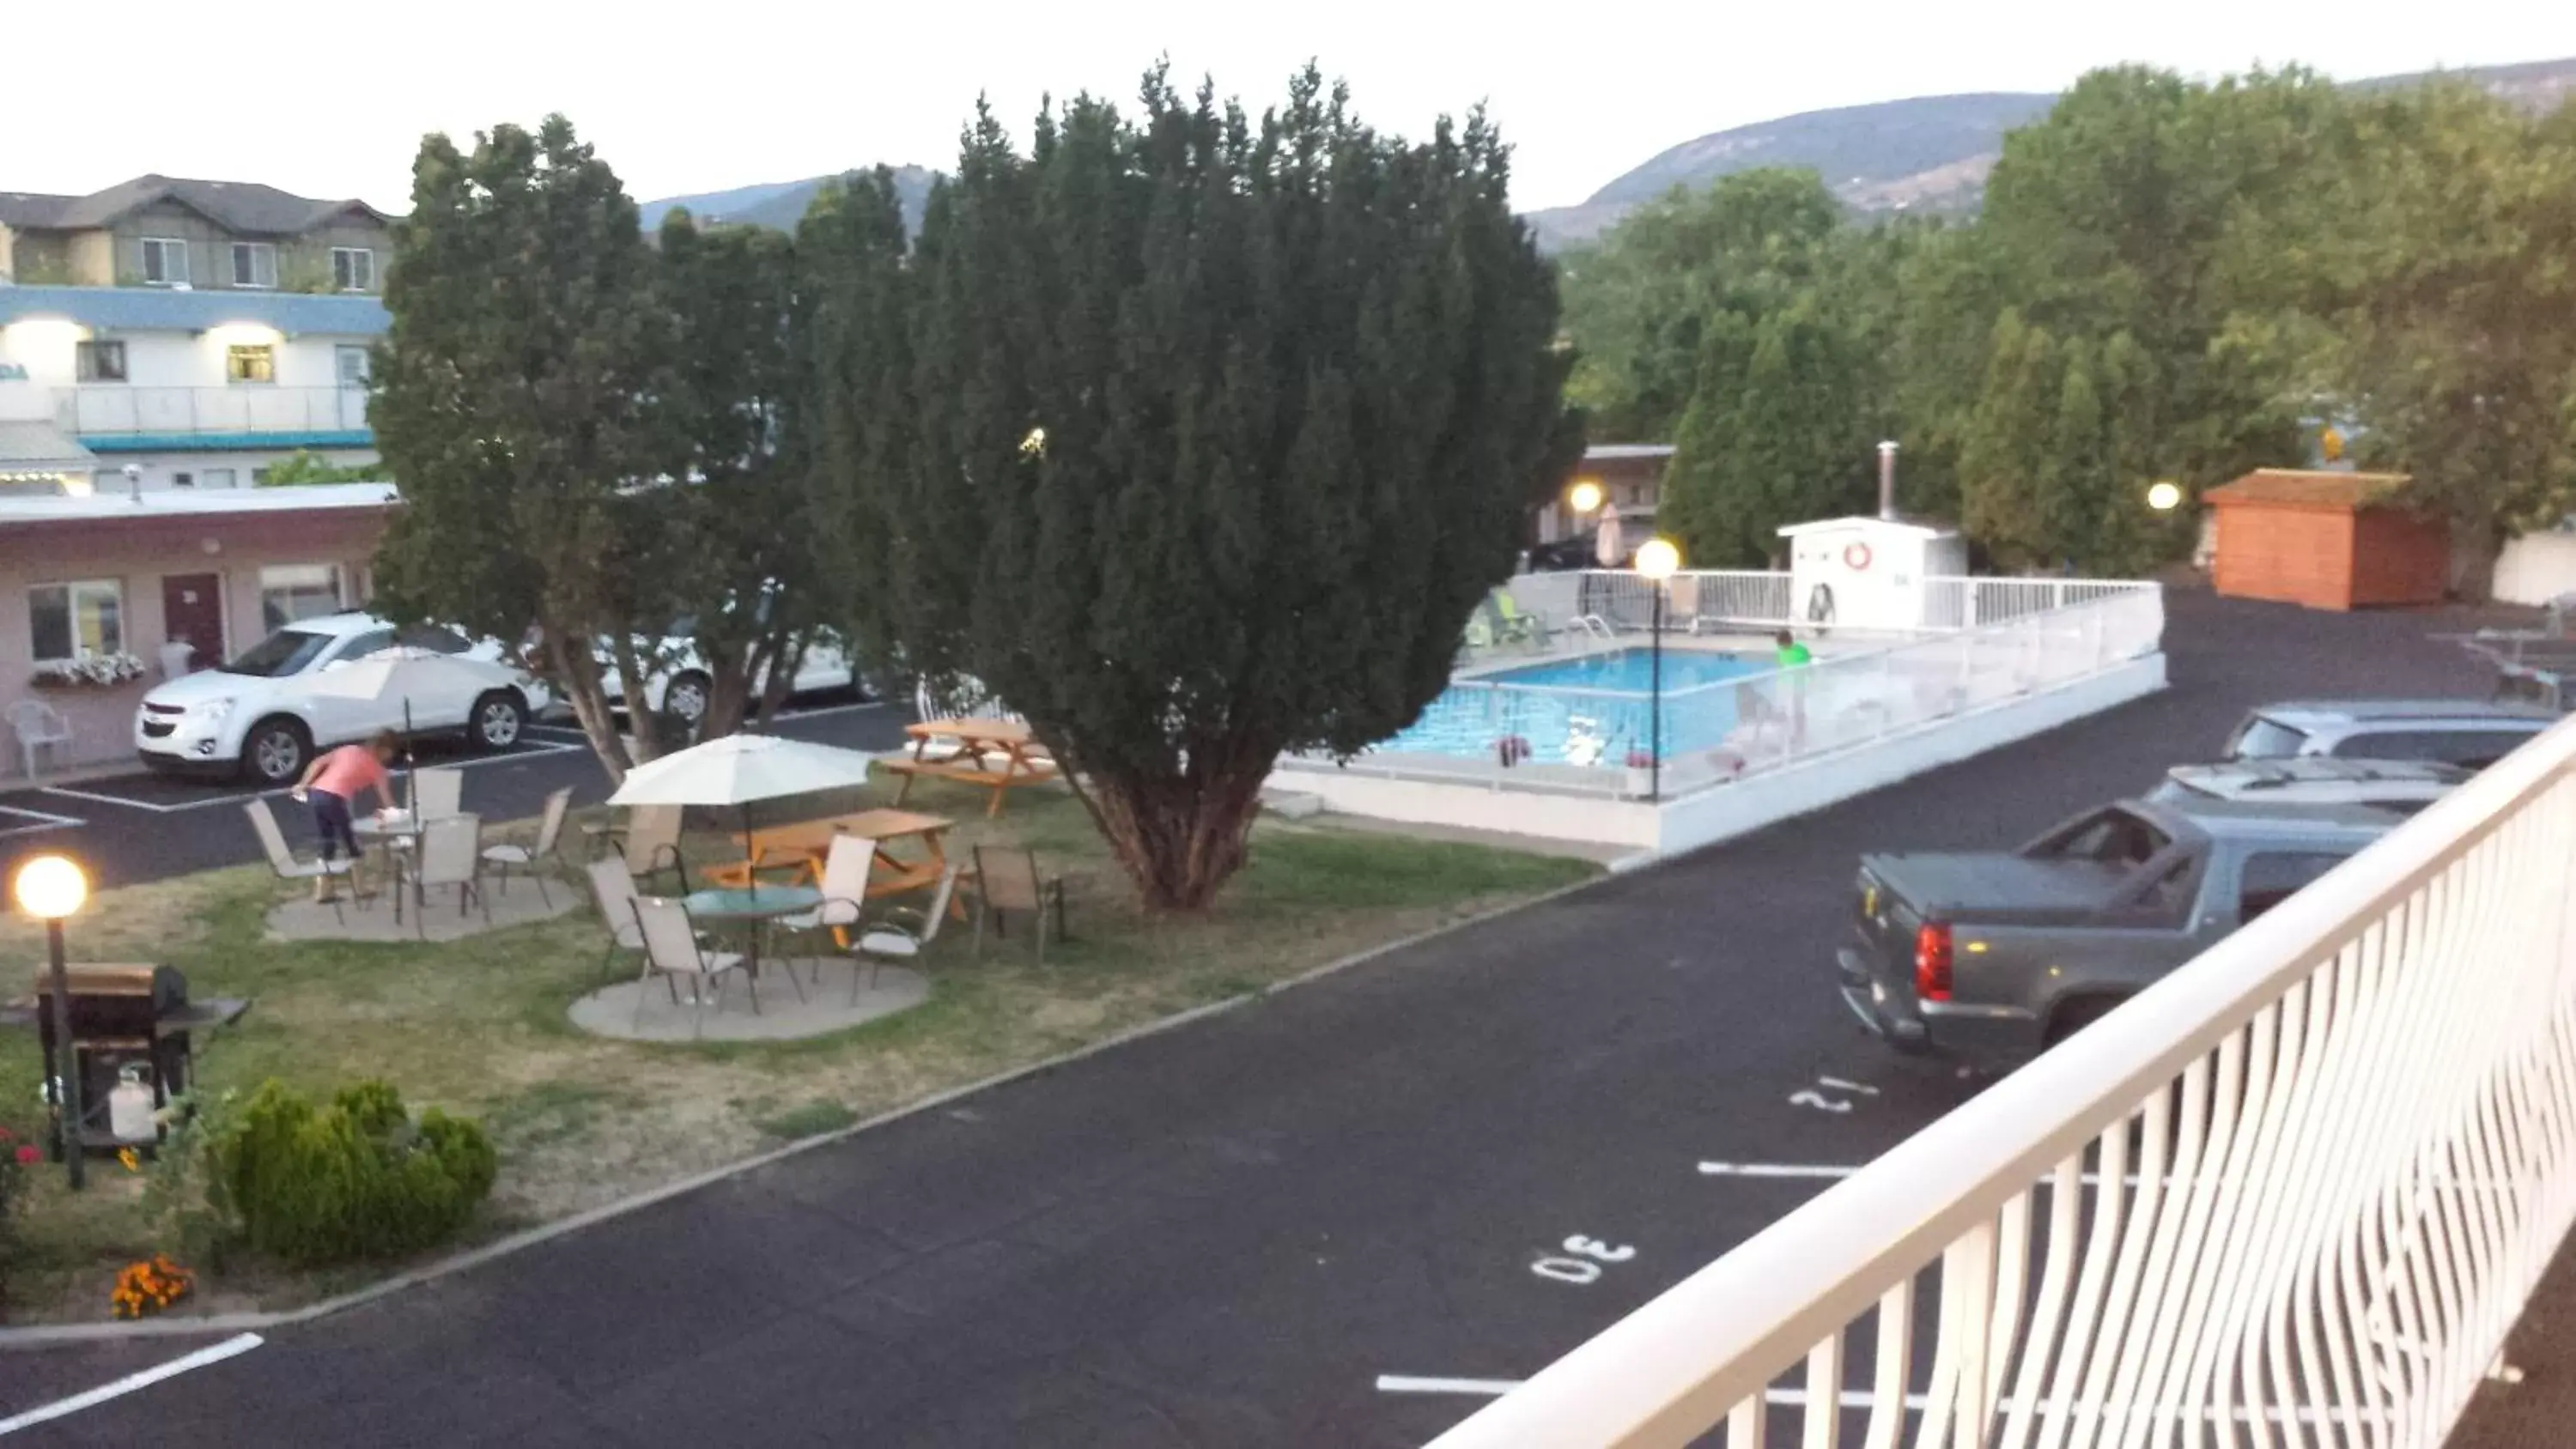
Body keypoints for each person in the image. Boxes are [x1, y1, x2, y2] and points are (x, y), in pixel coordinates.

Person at [291, 731, 398, 902]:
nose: (391, 757)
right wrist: (393, 813)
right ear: (384, 750)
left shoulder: (349, 750)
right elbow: (386, 799)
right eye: (392, 752)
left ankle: (323, 891)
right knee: (352, 843)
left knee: (328, 841)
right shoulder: (377, 769)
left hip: (316, 793)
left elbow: (317, 762)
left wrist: (304, 784)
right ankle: (360, 888)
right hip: (335, 799)